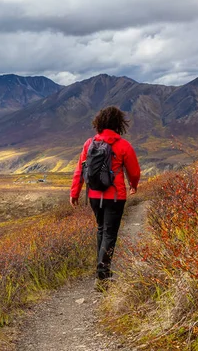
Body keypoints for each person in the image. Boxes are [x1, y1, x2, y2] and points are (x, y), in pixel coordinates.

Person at [70, 106, 140, 289]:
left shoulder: (89, 143)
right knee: (110, 232)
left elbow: (80, 170)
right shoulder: (123, 145)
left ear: (99, 122)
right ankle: (103, 275)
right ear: (119, 124)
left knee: (101, 229)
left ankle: (102, 271)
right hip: (115, 196)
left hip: (94, 195)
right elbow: (134, 171)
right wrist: (133, 185)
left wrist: (74, 193)